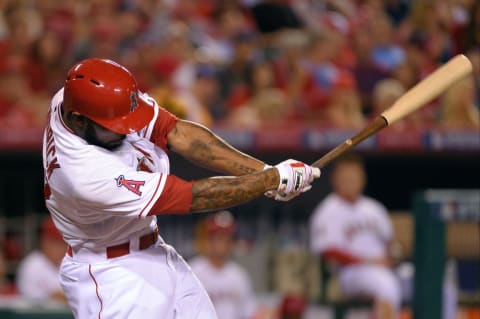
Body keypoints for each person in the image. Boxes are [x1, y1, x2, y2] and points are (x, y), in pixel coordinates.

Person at [42, 58, 320, 319]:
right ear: (78, 120)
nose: (127, 131)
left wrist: (265, 172)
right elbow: (194, 197)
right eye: (115, 127)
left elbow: (175, 132)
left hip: (153, 251)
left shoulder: (73, 101)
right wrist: (270, 181)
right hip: (111, 276)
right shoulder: (82, 174)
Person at [309, 154, 400, 319]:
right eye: (346, 177)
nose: (351, 181)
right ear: (335, 179)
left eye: (354, 176)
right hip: (350, 273)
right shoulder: (328, 211)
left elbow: (391, 244)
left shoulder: (375, 209)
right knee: (386, 284)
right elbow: (328, 252)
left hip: (383, 268)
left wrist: (393, 257)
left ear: (363, 179)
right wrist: (368, 261)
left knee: (439, 287)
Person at [189, 210, 256, 319]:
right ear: (209, 240)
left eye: (227, 238)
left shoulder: (239, 275)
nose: (224, 243)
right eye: (219, 237)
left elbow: (247, 312)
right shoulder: (193, 272)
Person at [16, 215, 66, 303]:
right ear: (43, 241)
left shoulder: (68, 263)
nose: (59, 248)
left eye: (62, 243)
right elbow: (33, 301)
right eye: (54, 242)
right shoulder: (32, 264)